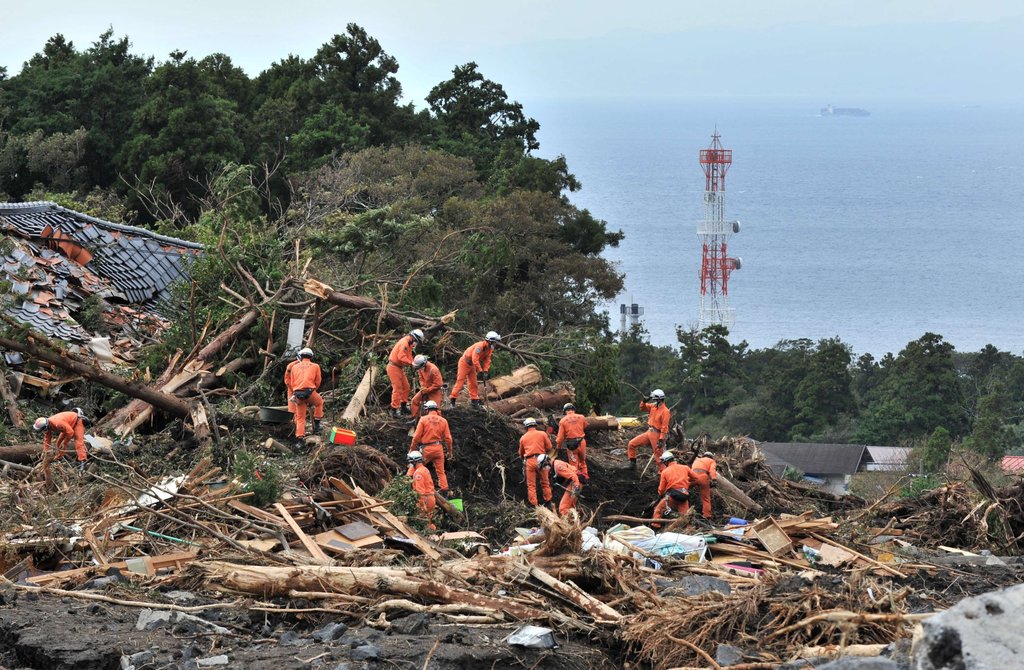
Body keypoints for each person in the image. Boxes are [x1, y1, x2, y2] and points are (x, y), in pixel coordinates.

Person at [409, 400, 454, 495]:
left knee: (414, 466)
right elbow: (448, 439)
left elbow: (416, 437)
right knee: (441, 472)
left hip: (426, 449)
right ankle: (445, 495)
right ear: (436, 409)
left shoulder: (423, 419)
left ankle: (406, 486)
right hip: (438, 449)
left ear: (426, 409)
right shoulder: (443, 421)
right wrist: (450, 452)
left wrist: (412, 449)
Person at [284, 347, 324, 448]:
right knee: (319, 403)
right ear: (311, 356)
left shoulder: (293, 367)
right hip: (310, 392)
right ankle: (317, 426)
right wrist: (312, 391)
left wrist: (296, 392)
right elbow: (318, 382)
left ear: (300, 356)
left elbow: (292, 382)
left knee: (300, 417)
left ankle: (300, 440)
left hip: (297, 394)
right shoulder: (315, 366)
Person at [449, 331, 500, 408]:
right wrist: (480, 371)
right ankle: (452, 401)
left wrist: (485, 371)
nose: (496, 344)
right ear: (490, 341)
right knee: (460, 382)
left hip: (472, 365)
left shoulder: (490, 348)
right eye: (495, 342)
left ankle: (474, 402)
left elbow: (487, 360)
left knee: (473, 383)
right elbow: (475, 359)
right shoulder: (479, 347)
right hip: (464, 363)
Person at [627, 389, 670, 473]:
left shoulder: (665, 411)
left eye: (654, 399)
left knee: (658, 457)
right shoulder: (653, 407)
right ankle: (632, 464)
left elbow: (664, 427)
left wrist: (661, 439)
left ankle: (663, 475)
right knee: (631, 444)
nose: (653, 400)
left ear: (659, 399)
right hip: (649, 432)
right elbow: (642, 408)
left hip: (657, 434)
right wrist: (644, 401)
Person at [518, 418, 553, 509]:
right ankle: (548, 502)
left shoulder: (523, 438)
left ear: (526, 427)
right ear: (535, 425)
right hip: (542, 460)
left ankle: (534, 505)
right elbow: (549, 447)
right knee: (545, 482)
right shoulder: (542, 434)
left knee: (531, 485)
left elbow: (520, 454)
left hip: (530, 461)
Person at [387, 329, 424, 417]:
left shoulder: (409, 344)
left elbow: (409, 356)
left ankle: (403, 407)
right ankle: (394, 410)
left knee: (406, 387)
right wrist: (411, 363)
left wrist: (413, 363)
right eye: (416, 341)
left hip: (399, 368)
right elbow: (401, 357)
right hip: (393, 367)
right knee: (398, 389)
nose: (416, 343)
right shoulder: (404, 343)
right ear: (413, 338)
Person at [652, 451, 693, 527]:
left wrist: (660, 495)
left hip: (672, 496)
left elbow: (661, 489)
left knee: (658, 510)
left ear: (666, 461)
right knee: (686, 517)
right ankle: (689, 530)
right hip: (684, 496)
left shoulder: (665, 472)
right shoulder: (685, 468)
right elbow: (695, 478)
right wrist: (687, 484)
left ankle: (656, 527)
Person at [556, 403, 589, 485]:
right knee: (583, 461)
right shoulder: (581, 417)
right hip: (582, 442)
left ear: (565, 411)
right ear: (573, 409)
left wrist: (558, 448)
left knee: (573, 465)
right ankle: (585, 478)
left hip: (572, 445)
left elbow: (560, 438)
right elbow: (585, 426)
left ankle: (576, 482)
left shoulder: (563, 421)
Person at [406, 451, 436, 530]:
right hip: (430, 498)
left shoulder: (418, 473)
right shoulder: (424, 469)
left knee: (422, 521)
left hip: (425, 499)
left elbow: (420, 492)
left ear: (414, 462)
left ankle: (427, 538)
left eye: (411, 462)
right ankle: (433, 536)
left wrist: (422, 506)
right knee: (428, 521)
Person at [410, 354, 444, 419]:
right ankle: (415, 419)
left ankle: (438, 423)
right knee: (414, 401)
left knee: (435, 409)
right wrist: (423, 386)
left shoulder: (433, 369)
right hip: (425, 389)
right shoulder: (420, 368)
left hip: (435, 391)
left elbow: (439, 384)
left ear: (423, 364)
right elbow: (421, 378)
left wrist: (428, 390)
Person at [690, 450, 718, 519]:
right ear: (711, 457)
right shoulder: (712, 461)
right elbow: (712, 470)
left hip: (692, 476)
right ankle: (707, 515)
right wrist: (714, 479)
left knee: (683, 490)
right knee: (706, 498)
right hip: (702, 477)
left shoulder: (697, 460)